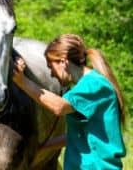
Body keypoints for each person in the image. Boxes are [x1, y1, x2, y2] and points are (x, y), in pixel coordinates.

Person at [12, 34, 126, 169]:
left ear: (63, 61)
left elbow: (59, 107)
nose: (52, 74)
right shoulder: (85, 87)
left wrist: (23, 82)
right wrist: (43, 146)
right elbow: (78, 135)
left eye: (51, 67)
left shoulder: (94, 85)